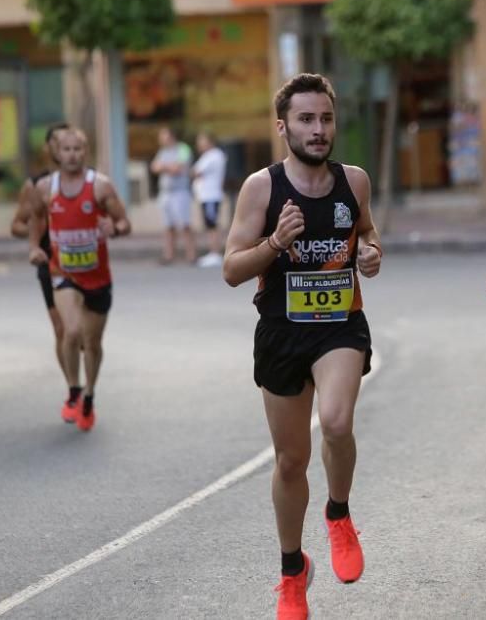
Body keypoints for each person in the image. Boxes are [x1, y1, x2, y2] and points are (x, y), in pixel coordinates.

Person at [222, 73, 383, 620]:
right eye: (306, 120)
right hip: (281, 332)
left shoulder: (354, 181)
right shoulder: (261, 189)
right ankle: (293, 572)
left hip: (340, 324)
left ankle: (338, 515)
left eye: (326, 119)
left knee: (336, 422)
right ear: (283, 126)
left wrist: (370, 254)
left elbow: (367, 233)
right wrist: (275, 242)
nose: (318, 130)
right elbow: (231, 270)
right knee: (292, 461)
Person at [27, 127, 131, 432]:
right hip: (63, 273)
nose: (71, 154)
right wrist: (35, 247)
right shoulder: (46, 188)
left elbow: (124, 222)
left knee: (92, 343)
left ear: (85, 152)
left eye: (77, 149)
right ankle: (73, 389)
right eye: (66, 149)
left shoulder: (100, 187)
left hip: (97, 276)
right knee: (70, 331)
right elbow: (35, 217)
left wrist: (114, 227)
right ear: (57, 153)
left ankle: (89, 396)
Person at [11, 121, 71, 392]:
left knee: (82, 333)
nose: (65, 149)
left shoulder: (94, 182)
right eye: (58, 143)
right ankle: (74, 389)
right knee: (62, 329)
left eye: (69, 143)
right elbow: (17, 225)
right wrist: (38, 232)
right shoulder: (36, 185)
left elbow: (108, 219)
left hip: (84, 263)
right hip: (50, 262)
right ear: (50, 148)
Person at [149, 126, 195, 264]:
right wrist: (168, 166)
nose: (160, 139)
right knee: (168, 226)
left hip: (180, 192)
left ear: (170, 136)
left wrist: (164, 166)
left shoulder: (183, 149)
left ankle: (191, 255)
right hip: (166, 193)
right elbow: (154, 167)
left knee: (185, 225)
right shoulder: (163, 151)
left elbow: (178, 168)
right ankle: (169, 255)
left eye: (163, 135)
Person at [191, 130, 228, 267]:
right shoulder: (208, 156)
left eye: (202, 140)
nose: (199, 144)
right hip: (205, 196)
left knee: (212, 224)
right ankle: (213, 252)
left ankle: (215, 253)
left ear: (209, 141)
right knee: (209, 224)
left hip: (211, 195)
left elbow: (195, 172)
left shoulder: (214, 155)